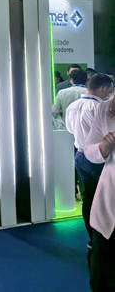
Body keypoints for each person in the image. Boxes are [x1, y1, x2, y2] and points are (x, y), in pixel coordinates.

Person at [66, 74, 114, 250]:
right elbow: (103, 135)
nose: (109, 93)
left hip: (80, 155)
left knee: (88, 198)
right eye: (109, 90)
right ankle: (102, 239)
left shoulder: (72, 106)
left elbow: (70, 129)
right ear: (103, 88)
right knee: (103, 199)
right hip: (99, 157)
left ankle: (92, 239)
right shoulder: (100, 107)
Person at [83, 94, 115, 290]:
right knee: (101, 276)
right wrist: (104, 146)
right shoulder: (106, 108)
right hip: (109, 204)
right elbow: (89, 150)